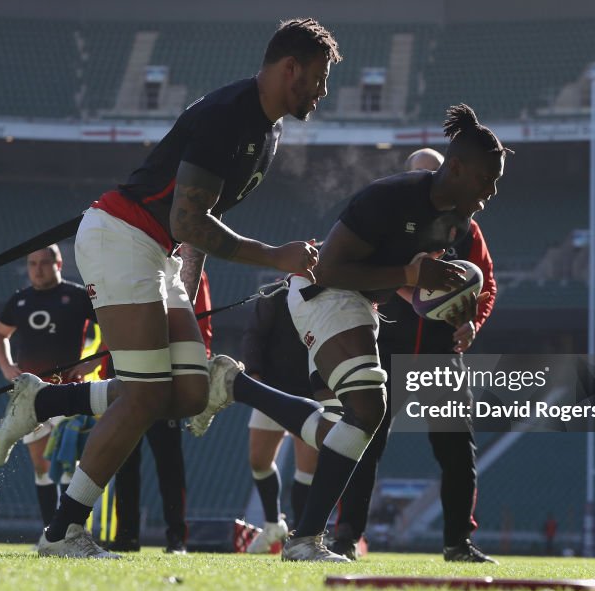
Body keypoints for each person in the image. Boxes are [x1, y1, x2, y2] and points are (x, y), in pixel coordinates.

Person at [0, 18, 341, 558]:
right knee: (147, 394)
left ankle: (46, 399)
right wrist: (277, 256)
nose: (322, 92)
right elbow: (188, 220)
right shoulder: (231, 116)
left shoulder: (267, 132)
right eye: (317, 78)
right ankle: (61, 532)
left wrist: (186, 296)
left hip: (154, 251)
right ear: (288, 67)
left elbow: (195, 226)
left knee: (190, 392)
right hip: (121, 237)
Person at [192, 104, 510, 561]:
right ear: (456, 168)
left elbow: (426, 280)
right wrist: (410, 275)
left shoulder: (460, 223)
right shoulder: (388, 197)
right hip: (323, 289)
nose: (492, 191)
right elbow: (329, 267)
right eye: (486, 179)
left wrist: (459, 309)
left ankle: (238, 390)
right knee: (366, 413)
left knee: (364, 418)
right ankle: (310, 536)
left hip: (366, 303)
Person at [331, 147, 498, 564]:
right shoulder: (387, 214)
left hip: (441, 352)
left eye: (434, 174)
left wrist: (472, 322)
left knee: (458, 449)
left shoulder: (467, 227)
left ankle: (458, 543)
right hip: (385, 343)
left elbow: (486, 282)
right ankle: (345, 536)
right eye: (419, 176)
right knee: (364, 440)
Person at [0, 244, 98, 528]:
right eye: (32, 263)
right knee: (41, 465)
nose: (37, 269)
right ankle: (49, 531)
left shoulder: (76, 296)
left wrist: (94, 363)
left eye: (43, 263)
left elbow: (113, 327)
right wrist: (6, 366)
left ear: (58, 264)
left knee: (67, 462)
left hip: (69, 392)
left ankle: (71, 529)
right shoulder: (20, 300)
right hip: (30, 396)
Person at [110, 261, 210, 555]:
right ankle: (125, 537)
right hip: (125, 374)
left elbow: (199, 322)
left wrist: (193, 370)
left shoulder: (190, 272)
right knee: (123, 462)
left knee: (169, 463)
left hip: (167, 377)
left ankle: (176, 539)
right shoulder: (123, 262)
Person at [240, 283, 326, 553]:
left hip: (313, 393)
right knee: (258, 460)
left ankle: (301, 538)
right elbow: (254, 335)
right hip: (273, 389)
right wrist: (253, 376)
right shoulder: (275, 294)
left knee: (307, 470)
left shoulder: (333, 294)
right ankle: (272, 524)